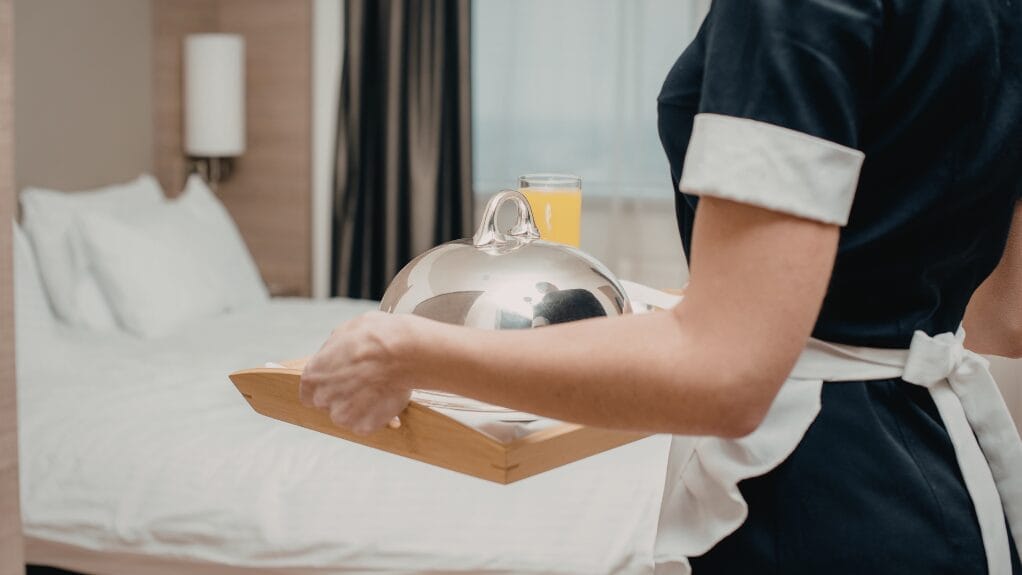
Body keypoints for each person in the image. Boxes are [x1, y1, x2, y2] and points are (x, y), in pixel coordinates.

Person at [300, 1, 1022, 572]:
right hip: (947, 482)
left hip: (819, 504)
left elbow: (728, 375)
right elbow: (1004, 316)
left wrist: (407, 351)